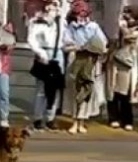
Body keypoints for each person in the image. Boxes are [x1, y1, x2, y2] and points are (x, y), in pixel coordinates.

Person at [62, 0, 106, 133]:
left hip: (90, 61)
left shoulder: (93, 27)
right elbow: (65, 45)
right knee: (74, 91)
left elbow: (103, 44)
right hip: (75, 60)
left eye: (83, 13)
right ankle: (74, 121)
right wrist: (75, 47)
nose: (80, 16)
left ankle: (82, 121)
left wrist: (92, 47)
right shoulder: (71, 27)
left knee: (86, 89)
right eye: (78, 13)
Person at [105, 4, 138, 130]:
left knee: (125, 93)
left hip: (127, 63)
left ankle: (127, 120)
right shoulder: (121, 26)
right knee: (112, 91)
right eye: (125, 12)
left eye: (128, 13)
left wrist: (123, 27)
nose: (126, 15)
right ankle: (113, 118)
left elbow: (129, 37)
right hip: (114, 61)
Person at [28, 0, 65, 131]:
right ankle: (38, 118)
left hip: (58, 55)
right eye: (52, 5)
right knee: (42, 89)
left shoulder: (61, 22)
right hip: (44, 53)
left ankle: (50, 117)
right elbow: (31, 40)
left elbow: (65, 37)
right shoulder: (37, 22)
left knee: (55, 88)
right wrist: (40, 53)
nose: (54, 8)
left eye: (56, 6)